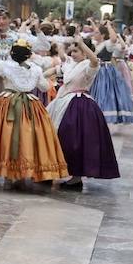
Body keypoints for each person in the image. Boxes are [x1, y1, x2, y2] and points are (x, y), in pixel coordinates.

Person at [0, 38, 69, 189]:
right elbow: (44, 87)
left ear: (12, 53)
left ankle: (8, 172)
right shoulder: (35, 69)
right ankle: (25, 170)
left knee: (4, 135)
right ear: (28, 55)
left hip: (7, 103)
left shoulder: (4, 66)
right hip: (30, 104)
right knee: (30, 137)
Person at [48, 33, 120, 189]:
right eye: (72, 51)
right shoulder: (71, 64)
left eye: (77, 51)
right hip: (62, 103)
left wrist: (82, 44)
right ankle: (53, 170)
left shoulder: (89, 65)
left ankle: (76, 177)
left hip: (79, 105)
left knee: (76, 141)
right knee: (59, 138)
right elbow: (60, 65)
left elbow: (94, 59)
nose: (73, 54)